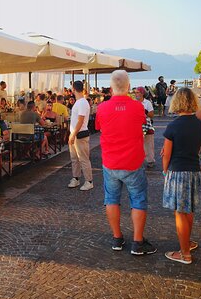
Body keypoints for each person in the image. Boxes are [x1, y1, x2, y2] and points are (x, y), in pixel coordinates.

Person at [95, 71, 157, 255]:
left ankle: (117, 238)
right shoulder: (138, 107)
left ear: (111, 86)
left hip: (110, 161)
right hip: (133, 161)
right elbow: (144, 123)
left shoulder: (102, 108)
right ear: (129, 86)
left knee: (111, 199)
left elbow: (99, 127)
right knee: (138, 200)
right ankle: (137, 242)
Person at [162, 87, 201, 264]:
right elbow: (198, 149)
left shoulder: (173, 126)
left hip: (177, 171)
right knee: (189, 211)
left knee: (179, 212)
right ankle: (187, 242)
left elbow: (167, 154)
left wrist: (165, 170)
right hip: (194, 170)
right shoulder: (199, 125)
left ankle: (185, 253)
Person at [67, 81, 93, 191]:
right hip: (75, 134)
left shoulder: (82, 102)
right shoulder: (80, 102)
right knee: (75, 158)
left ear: (73, 89)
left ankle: (89, 181)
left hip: (79, 134)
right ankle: (76, 178)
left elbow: (80, 121)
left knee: (83, 159)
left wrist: (73, 135)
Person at [134, 87, 155, 168]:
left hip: (146, 125)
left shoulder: (147, 103)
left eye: (138, 92)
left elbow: (152, 115)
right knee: (136, 144)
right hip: (136, 126)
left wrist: (144, 111)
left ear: (142, 93)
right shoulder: (133, 103)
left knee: (148, 143)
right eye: (135, 92)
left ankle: (150, 160)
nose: (136, 94)